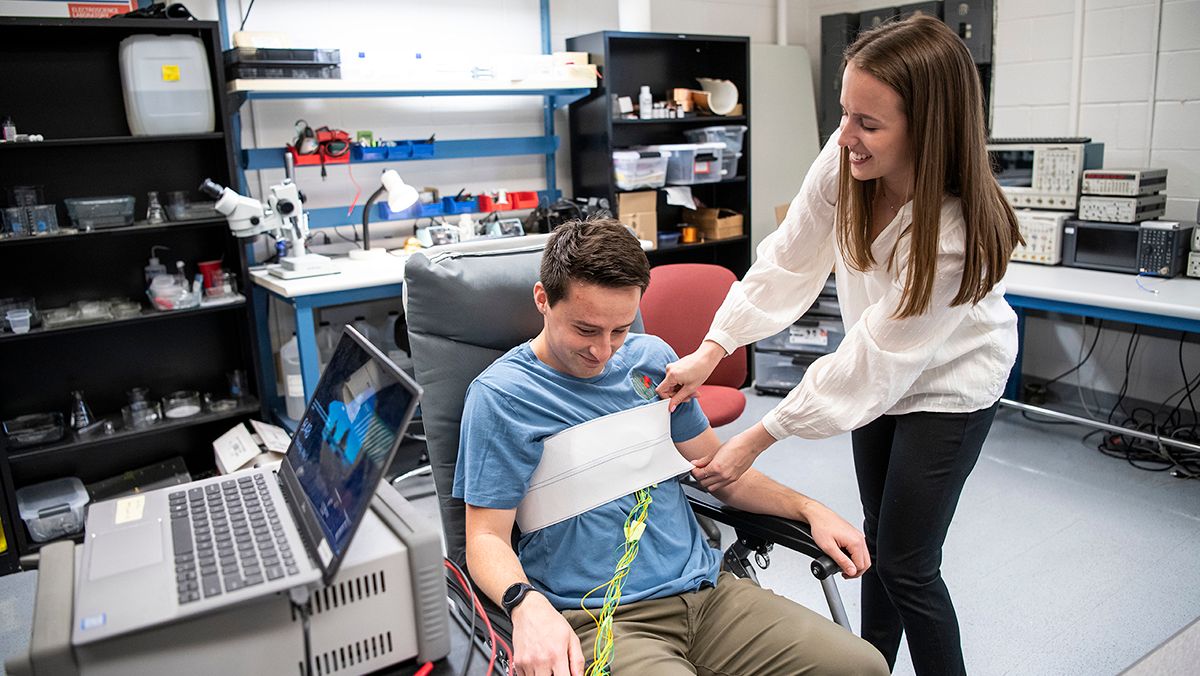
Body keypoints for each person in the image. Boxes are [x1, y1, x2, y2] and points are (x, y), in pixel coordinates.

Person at [657, 16, 1022, 676]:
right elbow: (788, 259)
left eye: (869, 124)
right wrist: (713, 348)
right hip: (877, 372)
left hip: (949, 383)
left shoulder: (957, 232)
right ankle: (871, 665)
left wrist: (754, 439)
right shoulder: (849, 154)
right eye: (845, 113)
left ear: (927, 128)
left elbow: (872, 360)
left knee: (910, 565)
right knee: (878, 538)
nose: (846, 136)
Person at [453, 218, 889, 676]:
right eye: (585, 330)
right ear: (543, 299)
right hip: (604, 620)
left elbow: (718, 471)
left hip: (709, 595)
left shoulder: (652, 360)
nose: (603, 351)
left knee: (863, 667)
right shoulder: (503, 397)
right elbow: (484, 537)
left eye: (619, 329)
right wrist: (524, 605)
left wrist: (807, 508)